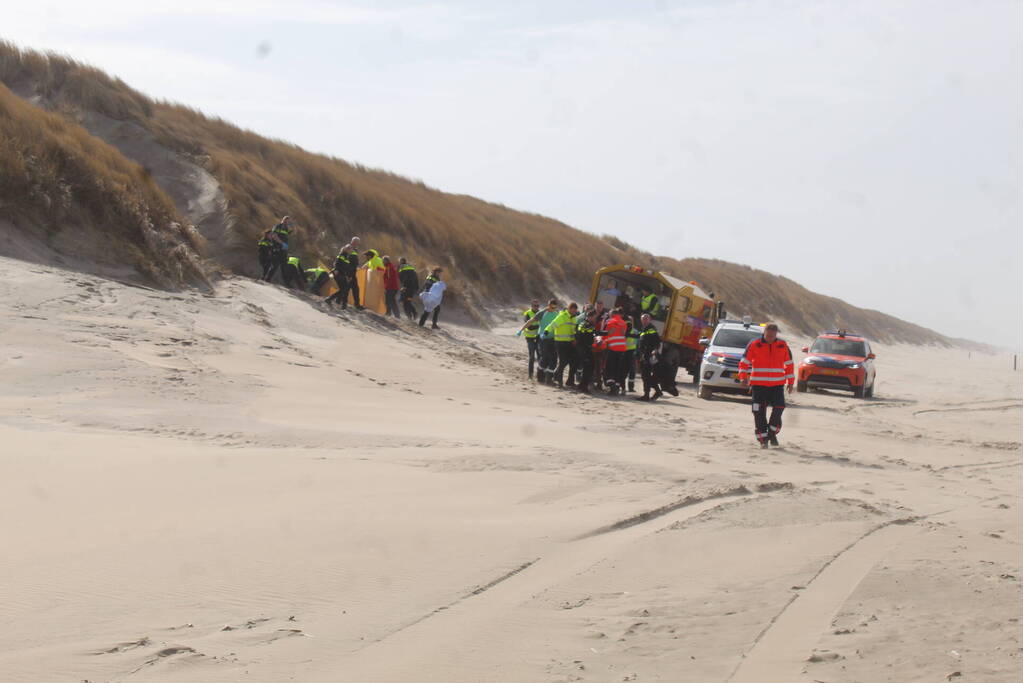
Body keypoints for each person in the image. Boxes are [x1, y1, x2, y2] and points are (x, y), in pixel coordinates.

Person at [738, 322, 795, 448]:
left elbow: (789, 365)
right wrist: (743, 377)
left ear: (776, 335)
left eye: (772, 336)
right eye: (768, 335)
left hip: (777, 385)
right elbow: (744, 362)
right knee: (759, 412)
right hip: (758, 386)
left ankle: (772, 432)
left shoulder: (782, 345)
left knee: (779, 408)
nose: (770, 338)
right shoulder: (755, 344)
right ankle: (763, 439)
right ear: (764, 333)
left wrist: (790, 383)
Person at [519, 299, 560, 384]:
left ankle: (548, 379)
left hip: (553, 339)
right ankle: (540, 377)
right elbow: (530, 321)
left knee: (554, 359)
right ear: (548, 305)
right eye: (551, 307)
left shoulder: (557, 313)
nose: (552, 309)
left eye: (554, 307)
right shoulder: (542, 313)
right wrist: (521, 329)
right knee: (544, 358)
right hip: (542, 338)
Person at [543, 302, 580, 388]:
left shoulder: (574, 318)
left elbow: (574, 330)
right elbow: (553, 324)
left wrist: (575, 339)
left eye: (575, 310)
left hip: (569, 343)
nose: (574, 311)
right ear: (569, 309)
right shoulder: (562, 316)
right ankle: (559, 381)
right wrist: (547, 330)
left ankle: (557, 377)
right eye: (573, 309)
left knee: (569, 361)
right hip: (560, 342)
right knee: (563, 362)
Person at [326, 244, 362, 310]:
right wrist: (336, 269)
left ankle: (341, 304)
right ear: (347, 249)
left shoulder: (346, 256)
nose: (351, 250)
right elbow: (337, 262)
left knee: (344, 289)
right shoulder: (342, 255)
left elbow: (346, 267)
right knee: (344, 289)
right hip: (338, 273)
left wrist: (348, 275)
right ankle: (330, 299)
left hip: (342, 274)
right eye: (350, 249)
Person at [636, 313, 663, 401]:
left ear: (650, 319)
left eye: (646, 319)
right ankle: (657, 391)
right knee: (646, 375)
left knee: (646, 375)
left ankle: (646, 395)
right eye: (643, 319)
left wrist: (655, 349)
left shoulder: (651, 329)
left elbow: (657, 341)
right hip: (644, 355)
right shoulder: (644, 329)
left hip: (649, 355)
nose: (644, 320)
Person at [603, 307, 629, 394]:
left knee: (609, 368)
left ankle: (612, 387)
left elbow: (607, 334)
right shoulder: (623, 323)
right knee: (618, 368)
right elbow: (623, 334)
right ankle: (617, 387)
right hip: (622, 348)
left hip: (612, 347)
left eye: (610, 315)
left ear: (613, 314)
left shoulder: (610, 322)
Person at [264, 216, 295, 283]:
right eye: (287, 221)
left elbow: (292, 232)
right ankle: (267, 279)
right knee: (275, 265)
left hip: (283, 250)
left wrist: (293, 227)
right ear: (283, 220)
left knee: (284, 266)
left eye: (289, 221)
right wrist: (282, 243)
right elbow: (274, 236)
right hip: (277, 248)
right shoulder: (277, 226)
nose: (288, 222)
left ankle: (287, 283)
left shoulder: (286, 228)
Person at [575, 309, 599, 393]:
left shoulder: (588, 324)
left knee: (589, 367)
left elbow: (592, 334)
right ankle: (583, 387)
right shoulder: (586, 324)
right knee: (588, 367)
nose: (595, 319)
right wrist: (592, 341)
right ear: (590, 317)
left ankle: (582, 385)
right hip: (584, 348)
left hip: (586, 348)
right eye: (594, 317)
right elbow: (582, 336)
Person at [521, 299, 541, 379]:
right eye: (534, 305)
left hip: (539, 338)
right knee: (532, 356)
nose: (536, 307)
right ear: (531, 306)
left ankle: (539, 375)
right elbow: (529, 327)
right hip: (530, 338)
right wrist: (539, 326)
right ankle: (530, 375)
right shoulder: (527, 313)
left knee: (540, 357)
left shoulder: (541, 314)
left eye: (537, 306)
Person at [624, 316, 640, 392]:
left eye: (630, 321)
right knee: (625, 370)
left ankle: (630, 387)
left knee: (632, 371)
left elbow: (638, 342)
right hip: (625, 352)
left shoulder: (635, 331)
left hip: (631, 352)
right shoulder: (624, 330)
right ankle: (623, 386)